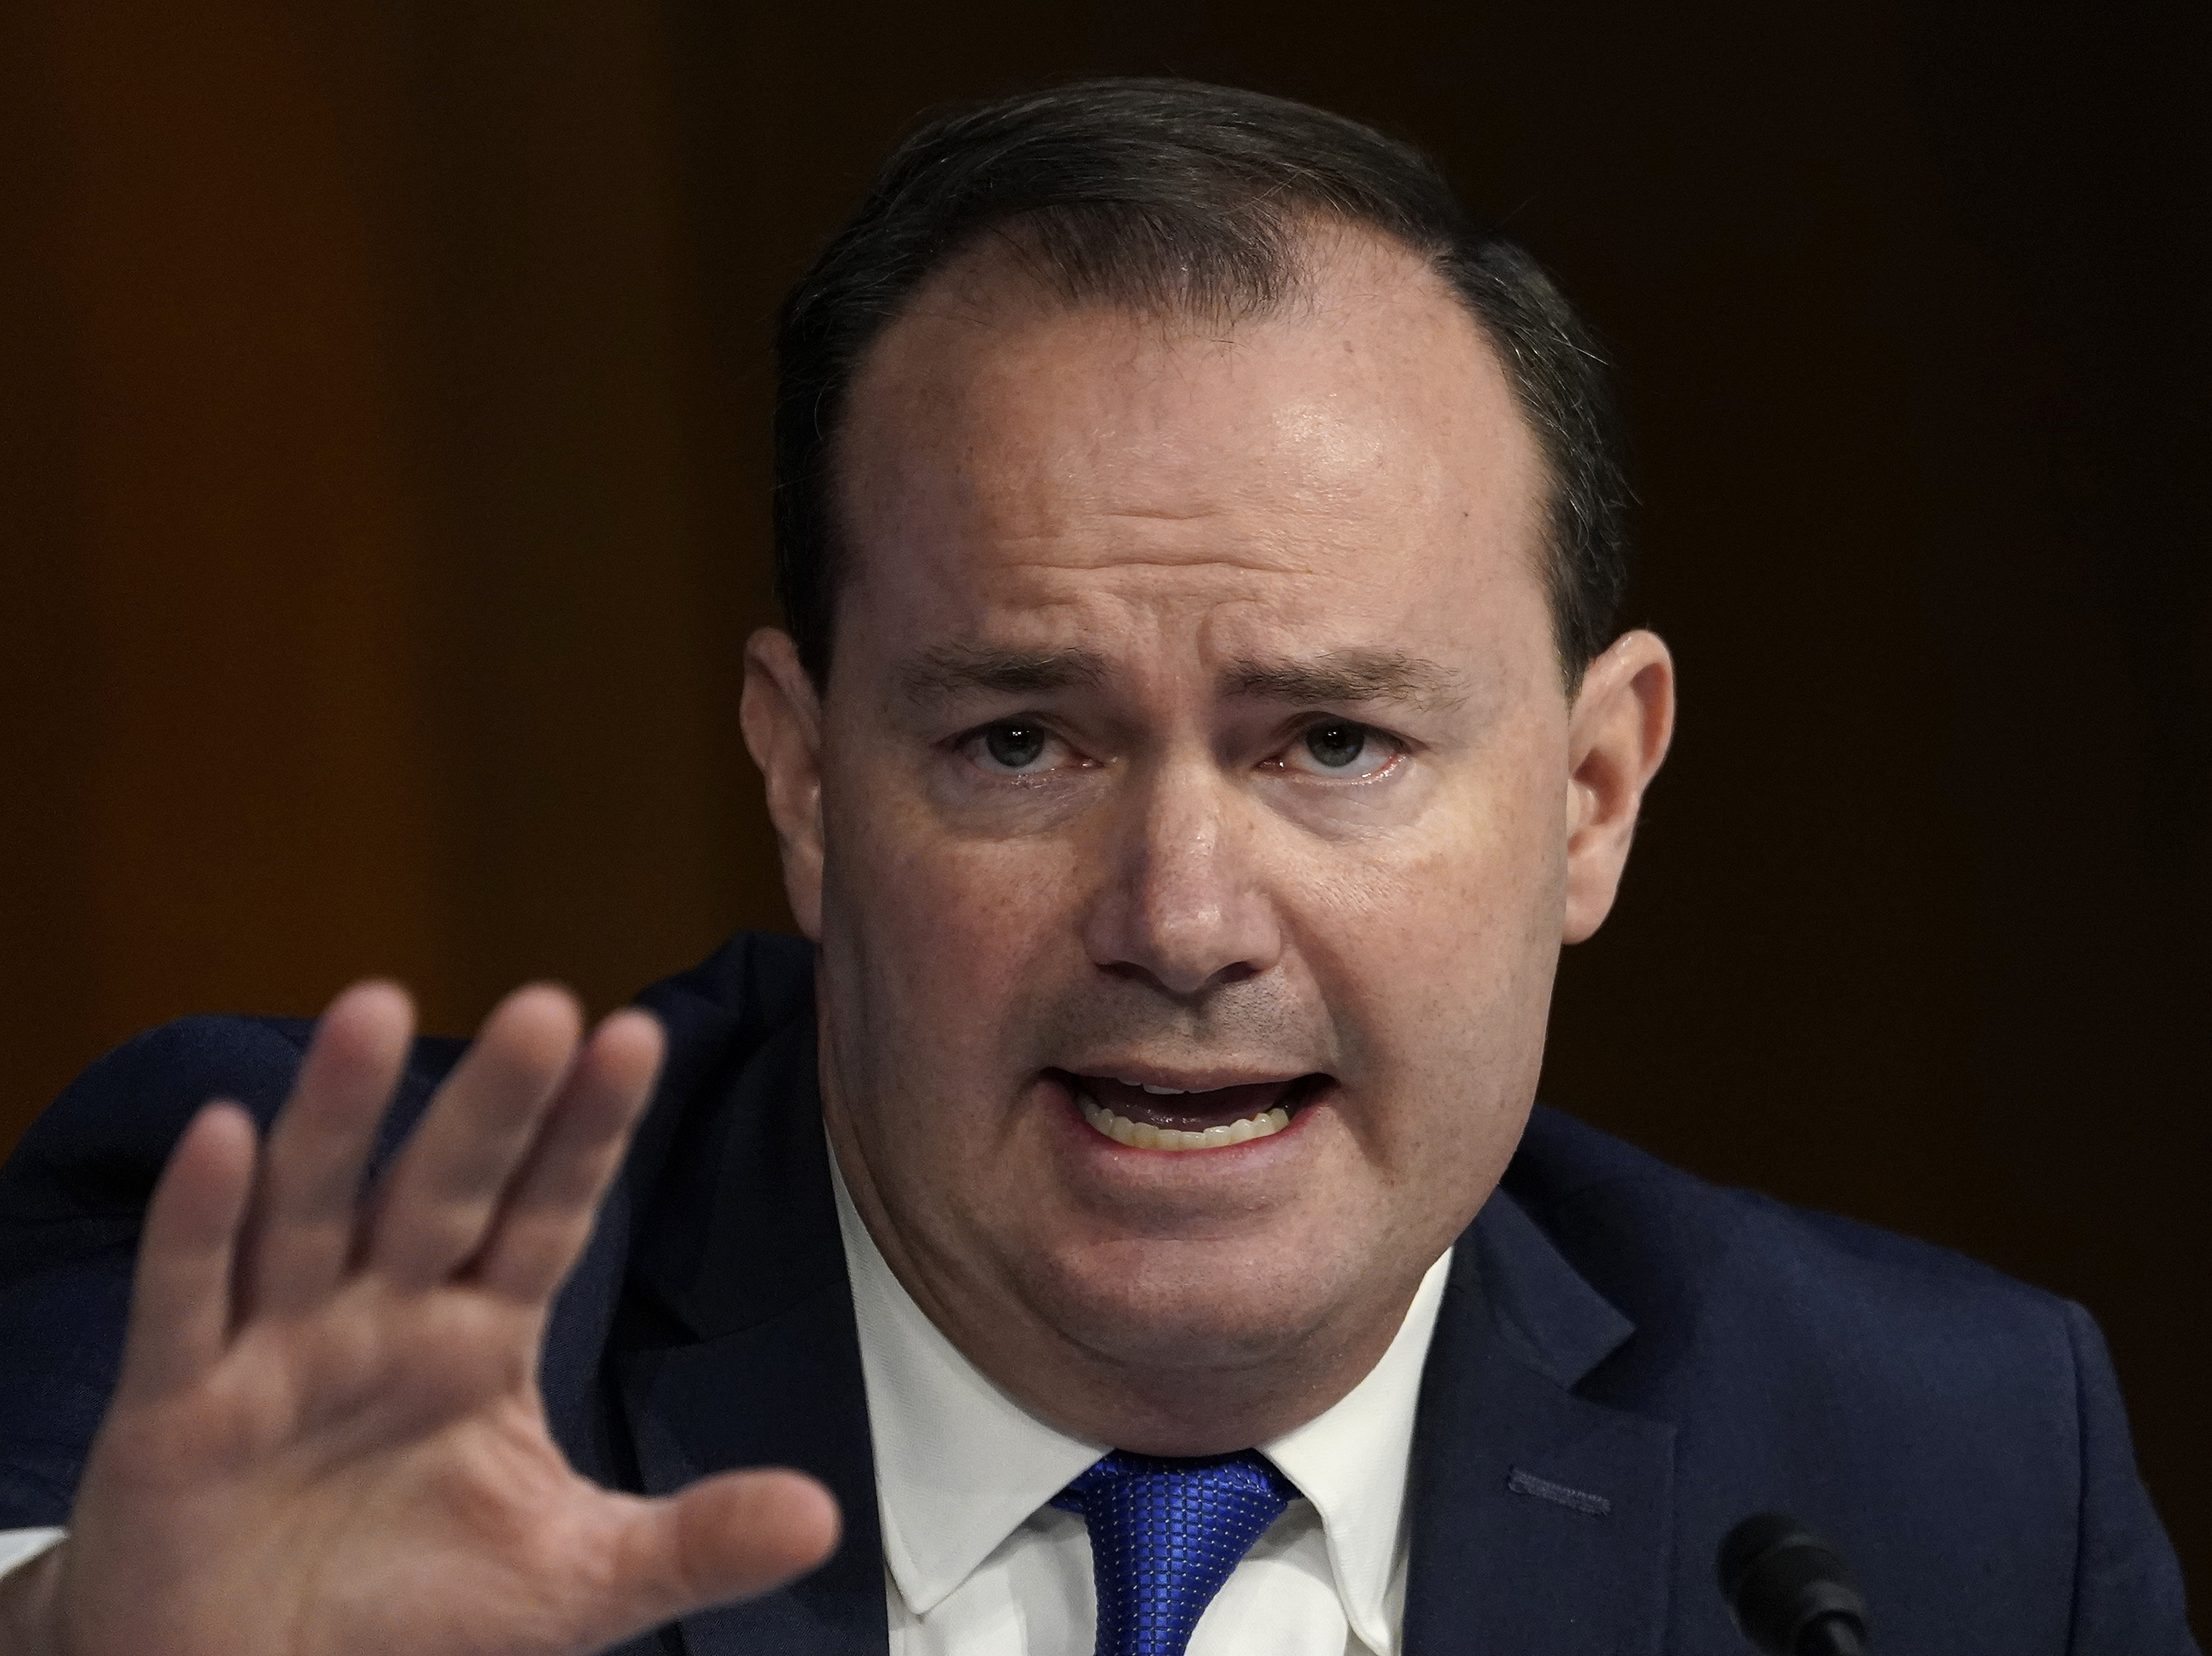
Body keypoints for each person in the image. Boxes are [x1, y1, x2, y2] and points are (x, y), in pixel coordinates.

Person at [0, 78, 2194, 1656]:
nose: (1179, 919)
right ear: (805, 780)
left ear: (1593, 795)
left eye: (1331, 742)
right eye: (1021, 740)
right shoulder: (338, 1299)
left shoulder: (1948, 1474)